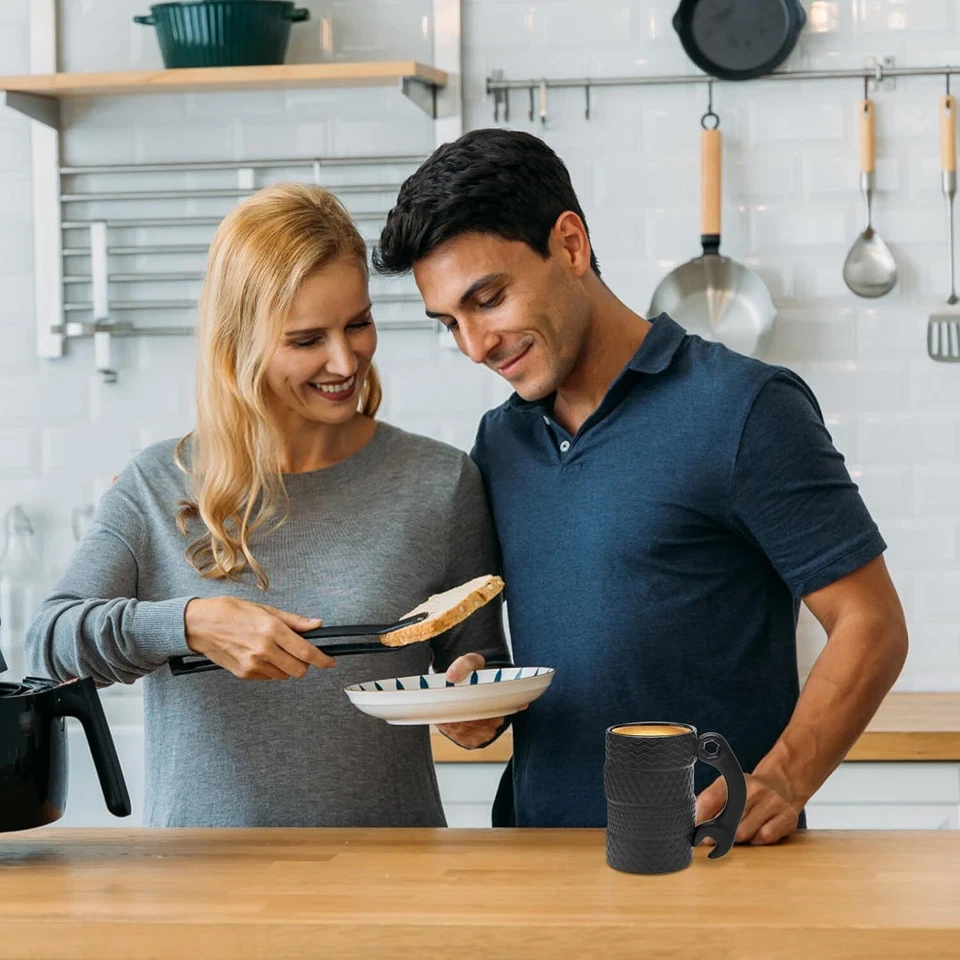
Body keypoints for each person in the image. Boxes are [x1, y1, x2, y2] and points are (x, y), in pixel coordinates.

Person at [373, 129, 909, 842]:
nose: (475, 346)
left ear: (569, 245)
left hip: (705, 861)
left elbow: (870, 623)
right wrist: (479, 696)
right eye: (450, 323)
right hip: (539, 859)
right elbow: (515, 656)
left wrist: (782, 778)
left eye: (490, 299)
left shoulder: (745, 408)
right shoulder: (500, 443)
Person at [26, 182, 510, 828]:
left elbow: (482, 666)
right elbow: (48, 643)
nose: (346, 359)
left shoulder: (440, 482)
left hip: (394, 891)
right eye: (307, 339)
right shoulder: (154, 486)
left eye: (358, 324)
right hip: (204, 898)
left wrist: (478, 703)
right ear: (239, 346)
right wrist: (189, 624)